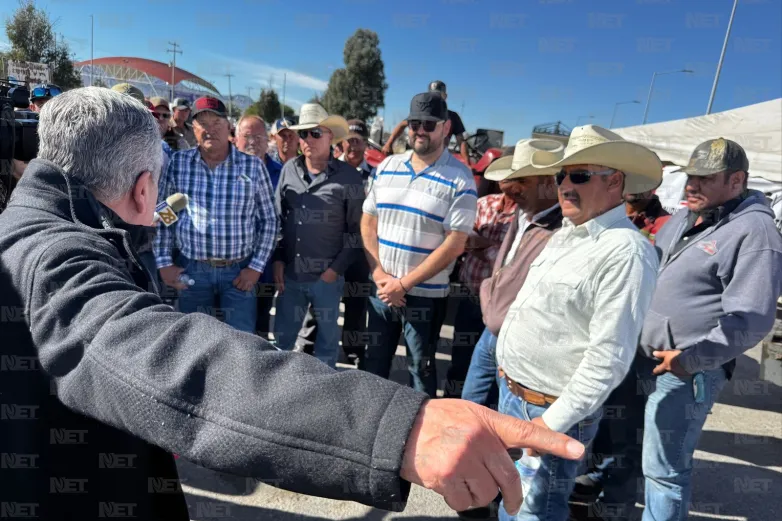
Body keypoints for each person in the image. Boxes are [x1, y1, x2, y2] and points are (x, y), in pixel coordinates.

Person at [0, 86, 586, 521]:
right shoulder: (52, 254)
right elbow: (163, 359)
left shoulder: (42, 219)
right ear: (143, 188)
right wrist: (397, 427)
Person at [495, 125, 662, 521]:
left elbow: (608, 360)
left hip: (550, 412)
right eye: (561, 176)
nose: (565, 185)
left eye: (580, 175)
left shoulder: (626, 252)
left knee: (533, 512)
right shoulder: (568, 233)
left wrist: (546, 426)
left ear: (615, 181)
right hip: (516, 395)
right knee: (512, 500)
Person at [637, 138, 782, 521]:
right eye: (690, 177)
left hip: (686, 370)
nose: (691, 186)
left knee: (665, 471)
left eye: (705, 178)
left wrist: (690, 360)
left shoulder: (755, 233)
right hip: (649, 360)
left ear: (737, 181)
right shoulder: (688, 217)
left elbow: (751, 320)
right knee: (645, 458)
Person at [361, 92, 477, 397]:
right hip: (382, 289)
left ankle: (419, 436)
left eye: (428, 124)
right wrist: (379, 275)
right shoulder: (386, 168)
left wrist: (405, 284)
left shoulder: (461, 178)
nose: (419, 130)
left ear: (445, 128)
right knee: (373, 361)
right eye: (414, 123)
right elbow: (368, 221)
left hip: (425, 295)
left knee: (420, 369)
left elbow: (455, 244)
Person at [571, 180, 672, 520]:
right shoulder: (602, 216)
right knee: (597, 417)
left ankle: (616, 504)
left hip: (637, 342)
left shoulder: (666, 226)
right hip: (597, 333)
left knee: (628, 430)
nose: (634, 190)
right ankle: (594, 478)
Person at [154, 96, 277, 334]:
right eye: (203, 124)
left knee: (241, 342)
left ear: (228, 127)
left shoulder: (252, 167)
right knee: (194, 339)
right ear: (193, 128)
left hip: (238, 273)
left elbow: (269, 221)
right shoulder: (179, 163)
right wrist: (164, 263)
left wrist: (256, 268)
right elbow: (165, 213)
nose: (210, 130)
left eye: (217, 123)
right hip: (192, 271)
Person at [458, 140, 563, 409]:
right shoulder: (524, 212)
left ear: (549, 182)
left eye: (520, 182)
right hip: (491, 331)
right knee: (471, 402)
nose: (508, 190)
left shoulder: (562, 229)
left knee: (507, 411)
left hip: (520, 337)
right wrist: (489, 296)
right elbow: (507, 264)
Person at [271, 104, 364, 368]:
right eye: (303, 134)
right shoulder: (289, 169)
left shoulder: (350, 178)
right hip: (290, 276)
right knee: (282, 342)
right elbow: (278, 218)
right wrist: (278, 259)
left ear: (330, 137)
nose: (307, 140)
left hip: (327, 278)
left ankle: (326, 397)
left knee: (326, 345)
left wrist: (334, 272)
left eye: (314, 133)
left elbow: (356, 233)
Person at [381, 81, 469, 165]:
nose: (436, 98)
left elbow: (461, 142)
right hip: (417, 156)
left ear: (445, 96)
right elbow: (401, 125)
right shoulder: (420, 113)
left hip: (439, 158)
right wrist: (388, 144)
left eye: (439, 95)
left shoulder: (453, 116)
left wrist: (467, 163)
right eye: (433, 95)